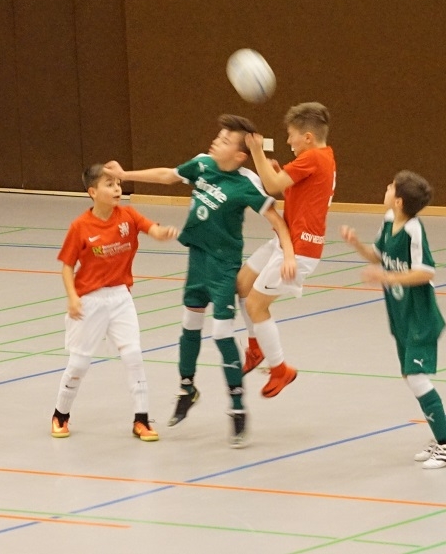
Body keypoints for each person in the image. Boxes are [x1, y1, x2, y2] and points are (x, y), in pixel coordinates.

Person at [103, 114, 294, 448]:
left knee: (221, 332)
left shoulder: (246, 182)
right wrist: (125, 175)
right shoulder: (203, 164)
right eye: (218, 136)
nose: (215, 142)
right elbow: (168, 175)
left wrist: (289, 254)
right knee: (189, 324)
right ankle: (187, 388)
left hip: (223, 266)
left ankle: (237, 406)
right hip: (198, 259)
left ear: (239, 155)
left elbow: (277, 220)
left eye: (224, 141)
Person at [340, 171, 446, 469]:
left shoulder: (413, 231)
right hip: (400, 315)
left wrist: (387, 277)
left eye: (391, 187)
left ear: (399, 201)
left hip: (420, 315)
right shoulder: (388, 221)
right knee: (411, 377)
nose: (386, 187)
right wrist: (357, 245)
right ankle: (441, 433)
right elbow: (379, 256)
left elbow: (426, 272)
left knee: (417, 377)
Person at [51, 164, 178, 441]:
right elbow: (67, 267)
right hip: (89, 300)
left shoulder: (128, 215)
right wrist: (73, 298)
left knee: (133, 356)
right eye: (109, 185)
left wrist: (162, 233)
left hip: (120, 296)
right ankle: (61, 414)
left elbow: (152, 229)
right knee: (79, 364)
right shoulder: (80, 226)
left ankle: (141, 419)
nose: (117, 189)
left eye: (117, 184)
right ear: (93, 192)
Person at [236, 102, 336, 398]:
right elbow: (294, 189)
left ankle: (280, 369)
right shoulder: (324, 156)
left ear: (308, 137)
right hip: (286, 240)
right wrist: (281, 174)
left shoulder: (312, 157)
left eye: (291, 135)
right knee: (242, 283)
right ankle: (256, 346)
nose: (289, 141)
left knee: (256, 305)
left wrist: (256, 151)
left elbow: (270, 185)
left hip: (300, 247)